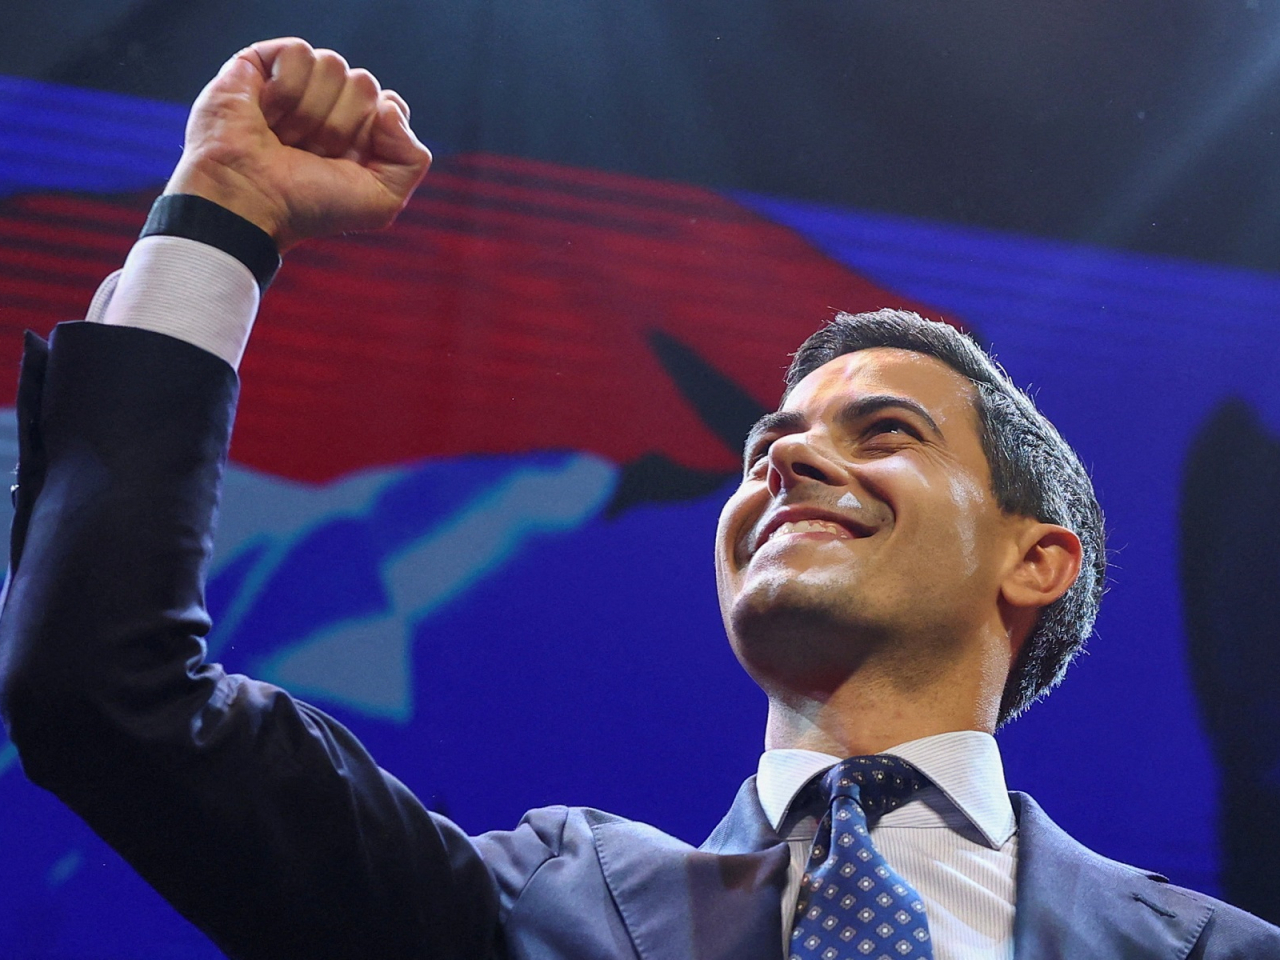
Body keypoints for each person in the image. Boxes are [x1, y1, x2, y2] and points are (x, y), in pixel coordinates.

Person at [0, 37, 1276, 960]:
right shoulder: (533, 910)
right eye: (767, 444)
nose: (784, 463)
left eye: (882, 432)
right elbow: (107, 690)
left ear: (1035, 559)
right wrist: (222, 217)